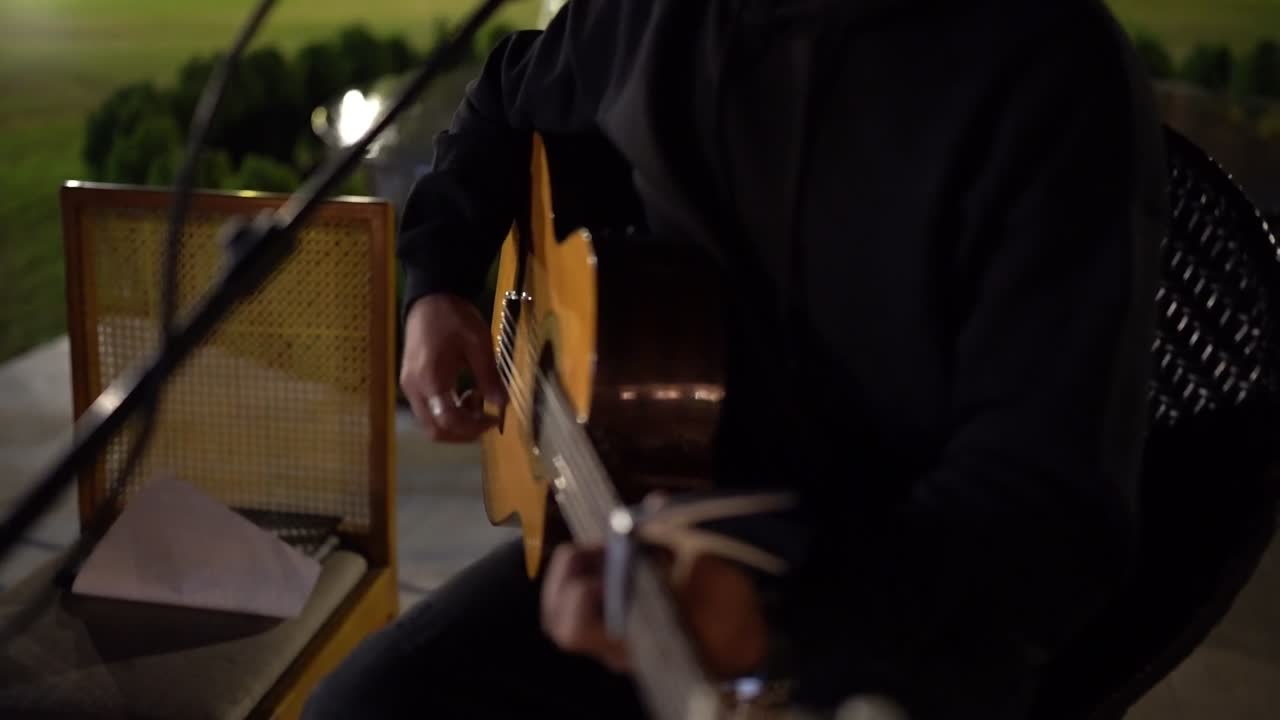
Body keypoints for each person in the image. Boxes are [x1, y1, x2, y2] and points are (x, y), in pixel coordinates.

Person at [304, 0, 1171, 717]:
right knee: (363, 706)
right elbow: (505, 96)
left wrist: (786, 614)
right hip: (660, 522)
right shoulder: (658, 15)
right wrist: (439, 281)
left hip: (907, 623)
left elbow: (1047, 507)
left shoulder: (1044, 67)